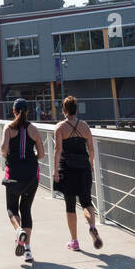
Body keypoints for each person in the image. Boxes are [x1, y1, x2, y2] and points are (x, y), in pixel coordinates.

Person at [53, 96, 102, 251]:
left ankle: (74, 241)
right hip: (84, 168)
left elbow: (57, 150)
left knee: (70, 205)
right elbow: (91, 149)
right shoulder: (85, 126)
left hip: (67, 168)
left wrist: (55, 170)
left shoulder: (60, 127)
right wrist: (91, 164)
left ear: (64, 110)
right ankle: (92, 226)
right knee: (86, 202)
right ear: (76, 109)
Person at [0, 98, 44, 263]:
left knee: (12, 208)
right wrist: (29, 156)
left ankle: (18, 231)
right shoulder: (33, 129)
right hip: (32, 176)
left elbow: (3, 149)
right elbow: (41, 155)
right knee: (26, 210)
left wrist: (11, 155)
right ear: (27, 111)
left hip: (13, 176)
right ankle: (27, 251)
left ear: (13, 111)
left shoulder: (9, 128)